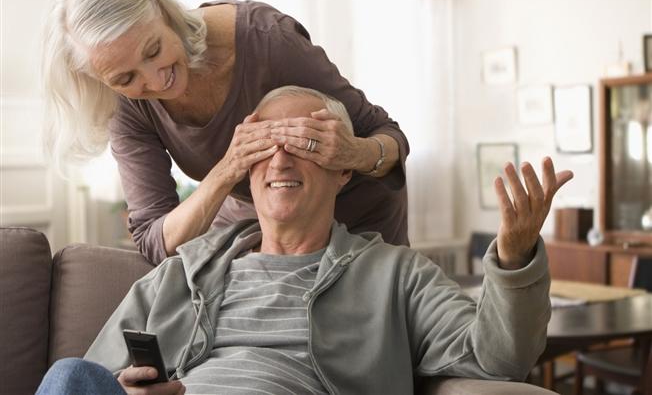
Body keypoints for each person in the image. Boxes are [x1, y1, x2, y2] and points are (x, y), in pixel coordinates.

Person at [36, 86, 573, 395]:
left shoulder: (395, 274)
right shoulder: (185, 270)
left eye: (305, 142)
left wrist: (514, 256)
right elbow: (99, 373)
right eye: (266, 144)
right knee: (66, 378)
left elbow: (497, 360)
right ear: (247, 170)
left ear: (342, 170)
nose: (281, 159)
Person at [42, 0, 410, 265]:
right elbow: (155, 240)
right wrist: (227, 169)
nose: (154, 80)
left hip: (360, 215)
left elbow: (386, 135)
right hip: (260, 221)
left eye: (153, 50)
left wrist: (354, 153)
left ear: (161, 11)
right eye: (125, 78)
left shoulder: (268, 41)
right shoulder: (127, 108)